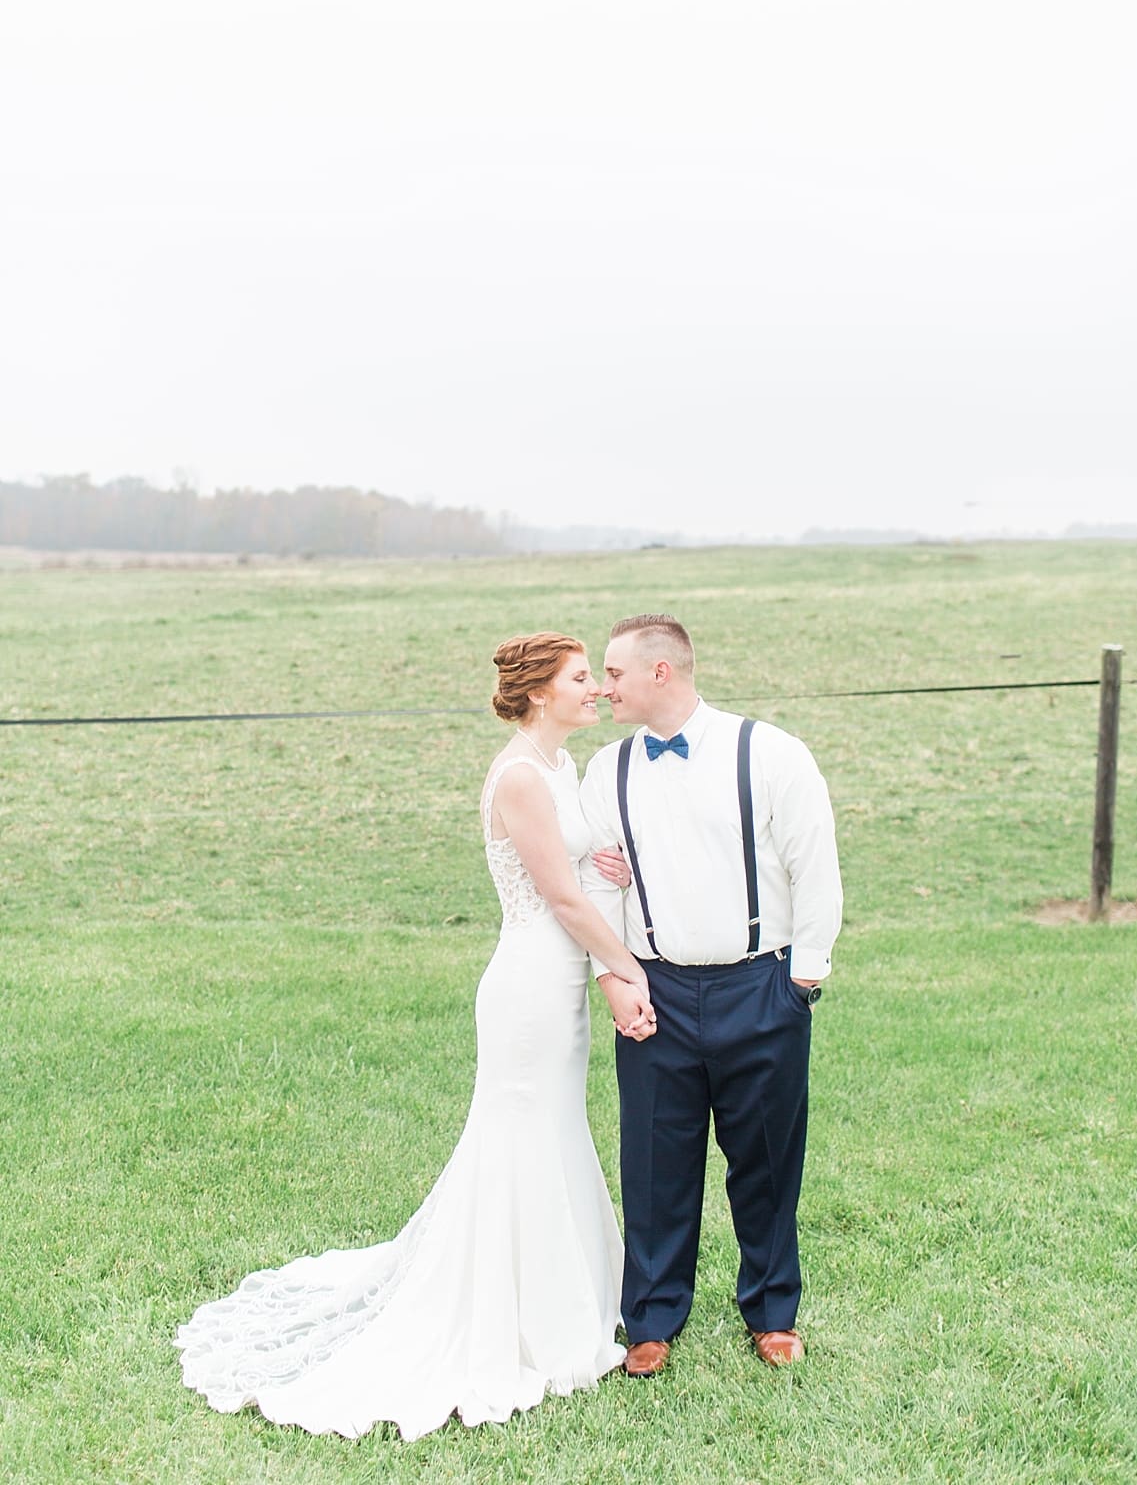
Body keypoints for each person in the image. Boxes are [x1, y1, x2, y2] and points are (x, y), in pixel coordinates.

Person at [176, 632, 656, 1441]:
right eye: (582, 679)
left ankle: (565, 1300)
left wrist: (600, 866)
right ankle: (516, 1320)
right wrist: (626, 971)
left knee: (554, 1129)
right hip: (530, 987)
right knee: (519, 1136)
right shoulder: (517, 779)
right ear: (540, 692)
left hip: (558, 985)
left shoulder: (558, 768)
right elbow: (560, 905)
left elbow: (571, 876)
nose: (597, 691)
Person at [579, 613, 843, 1376]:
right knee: (656, 1160)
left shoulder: (770, 754)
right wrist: (618, 977)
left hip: (759, 983)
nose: (605, 686)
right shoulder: (610, 770)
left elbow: (813, 864)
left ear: (663, 672)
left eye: (616, 672)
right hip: (654, 987)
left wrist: (802, 978)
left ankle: (771, 1311)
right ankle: (653, 1318)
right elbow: (599, 878)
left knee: (764, 1158)